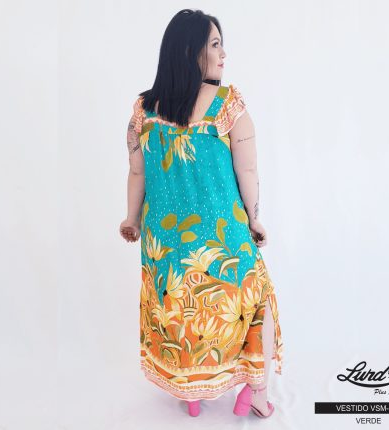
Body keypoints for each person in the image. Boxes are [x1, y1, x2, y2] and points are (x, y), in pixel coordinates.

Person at [119, 8, 283, 418]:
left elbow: (137, 172)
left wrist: (131, 219)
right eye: (214, 44)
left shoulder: (143, 111)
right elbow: (247, 170)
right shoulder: (228, 106)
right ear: (190, 51)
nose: (223, 53)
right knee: (258, 303)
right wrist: (255, 219)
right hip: (222, 236)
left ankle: (191, 395)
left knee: (181, 314)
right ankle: (256, 393)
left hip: (164, 243)